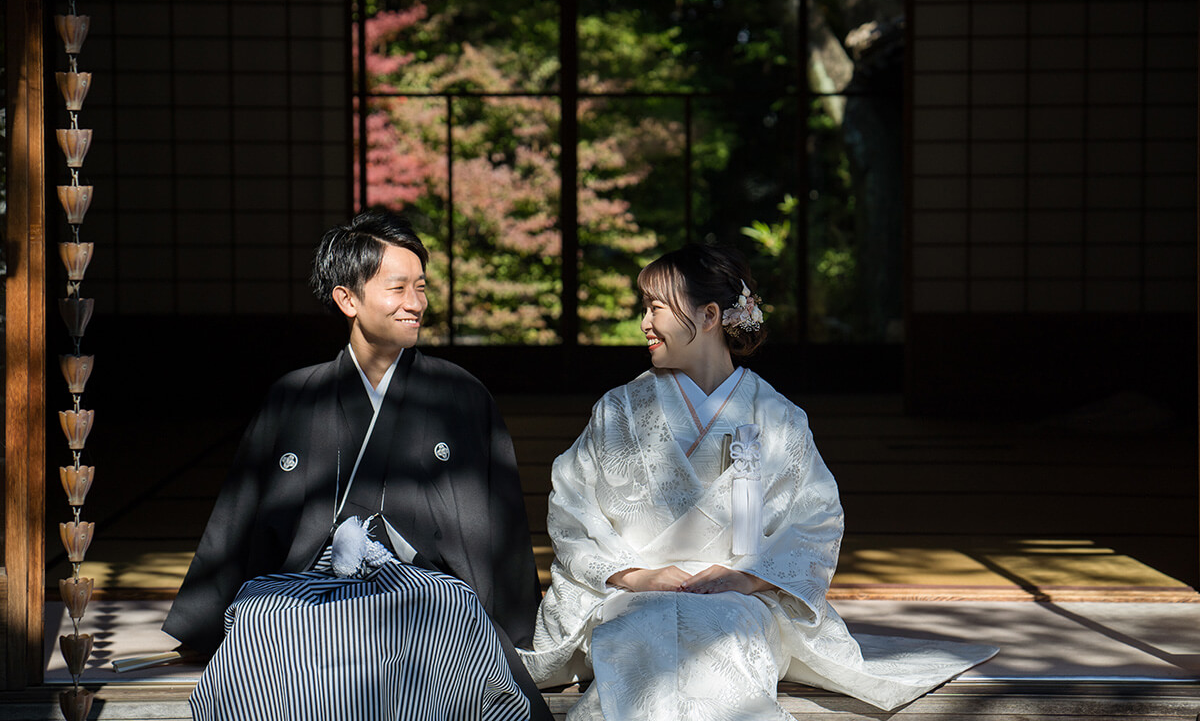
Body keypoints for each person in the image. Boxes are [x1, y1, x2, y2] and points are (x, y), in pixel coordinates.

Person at [519, 243, 996, 720]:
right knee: (644, 627)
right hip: (630, 593)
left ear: (708, 315)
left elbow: (817, 519)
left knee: (724, 632)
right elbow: (572, 506)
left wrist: (745, 577)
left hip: (742, 598)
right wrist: (637, 576)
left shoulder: (777, 416)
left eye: (656, 307)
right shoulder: (618, 409)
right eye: (644, 307)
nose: (644, 322)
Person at [164, 209, 552, 721]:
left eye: (421, 287)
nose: (416, 304)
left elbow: (497, 519)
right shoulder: (295, 396)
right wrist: (203, 621)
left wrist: (515, 623)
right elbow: (242, 517)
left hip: (428, 592)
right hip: (308, 589)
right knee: (259, 617)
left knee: (450, 619)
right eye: (398, 289)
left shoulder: (460, 394)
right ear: (347, 298)